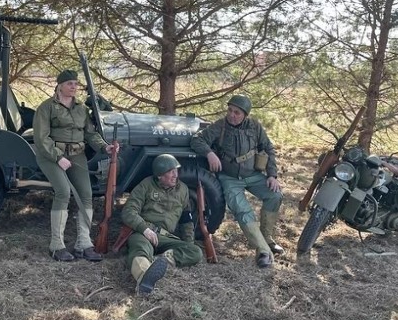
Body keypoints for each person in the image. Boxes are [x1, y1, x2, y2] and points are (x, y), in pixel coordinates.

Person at [191, 94, 283, 268]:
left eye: (237, 113)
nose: (232, 115)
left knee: (275, 195)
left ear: (245, 115)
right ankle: (263, 251)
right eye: (230, 110)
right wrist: (209, 153)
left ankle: (266, 238)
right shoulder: (220, 126)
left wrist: (272, 175)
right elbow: (197, 139)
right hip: (229, 177)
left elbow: (268, 148)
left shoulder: (255, 127)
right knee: (242, 210)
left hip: (253, 175)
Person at [33, 69, 115, 262]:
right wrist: (57, 157)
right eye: (70, 83)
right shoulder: (46, 108)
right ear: (60, 85)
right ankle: (56, 246)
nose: (74, 87)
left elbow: (89, 134)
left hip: (77, 155)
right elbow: (41, 138)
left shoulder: (81, 109)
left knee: (86, 195)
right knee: (63, 192)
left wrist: (105, 147)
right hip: (51, 155)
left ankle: (83, 244)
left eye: (76, 84)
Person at [121, 154, 203, 294]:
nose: (175, 175)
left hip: (167, 238)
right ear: (159, 175)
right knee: (140, 249)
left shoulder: (183, 190)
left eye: (176, 171)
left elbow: (186, 220)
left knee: (196, 252)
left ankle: (161, 261)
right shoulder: (146, 185)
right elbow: (128, 211)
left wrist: (189, 243)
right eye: (170, 172)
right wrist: (144, 229)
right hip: (145, 233)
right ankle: (144, 278)